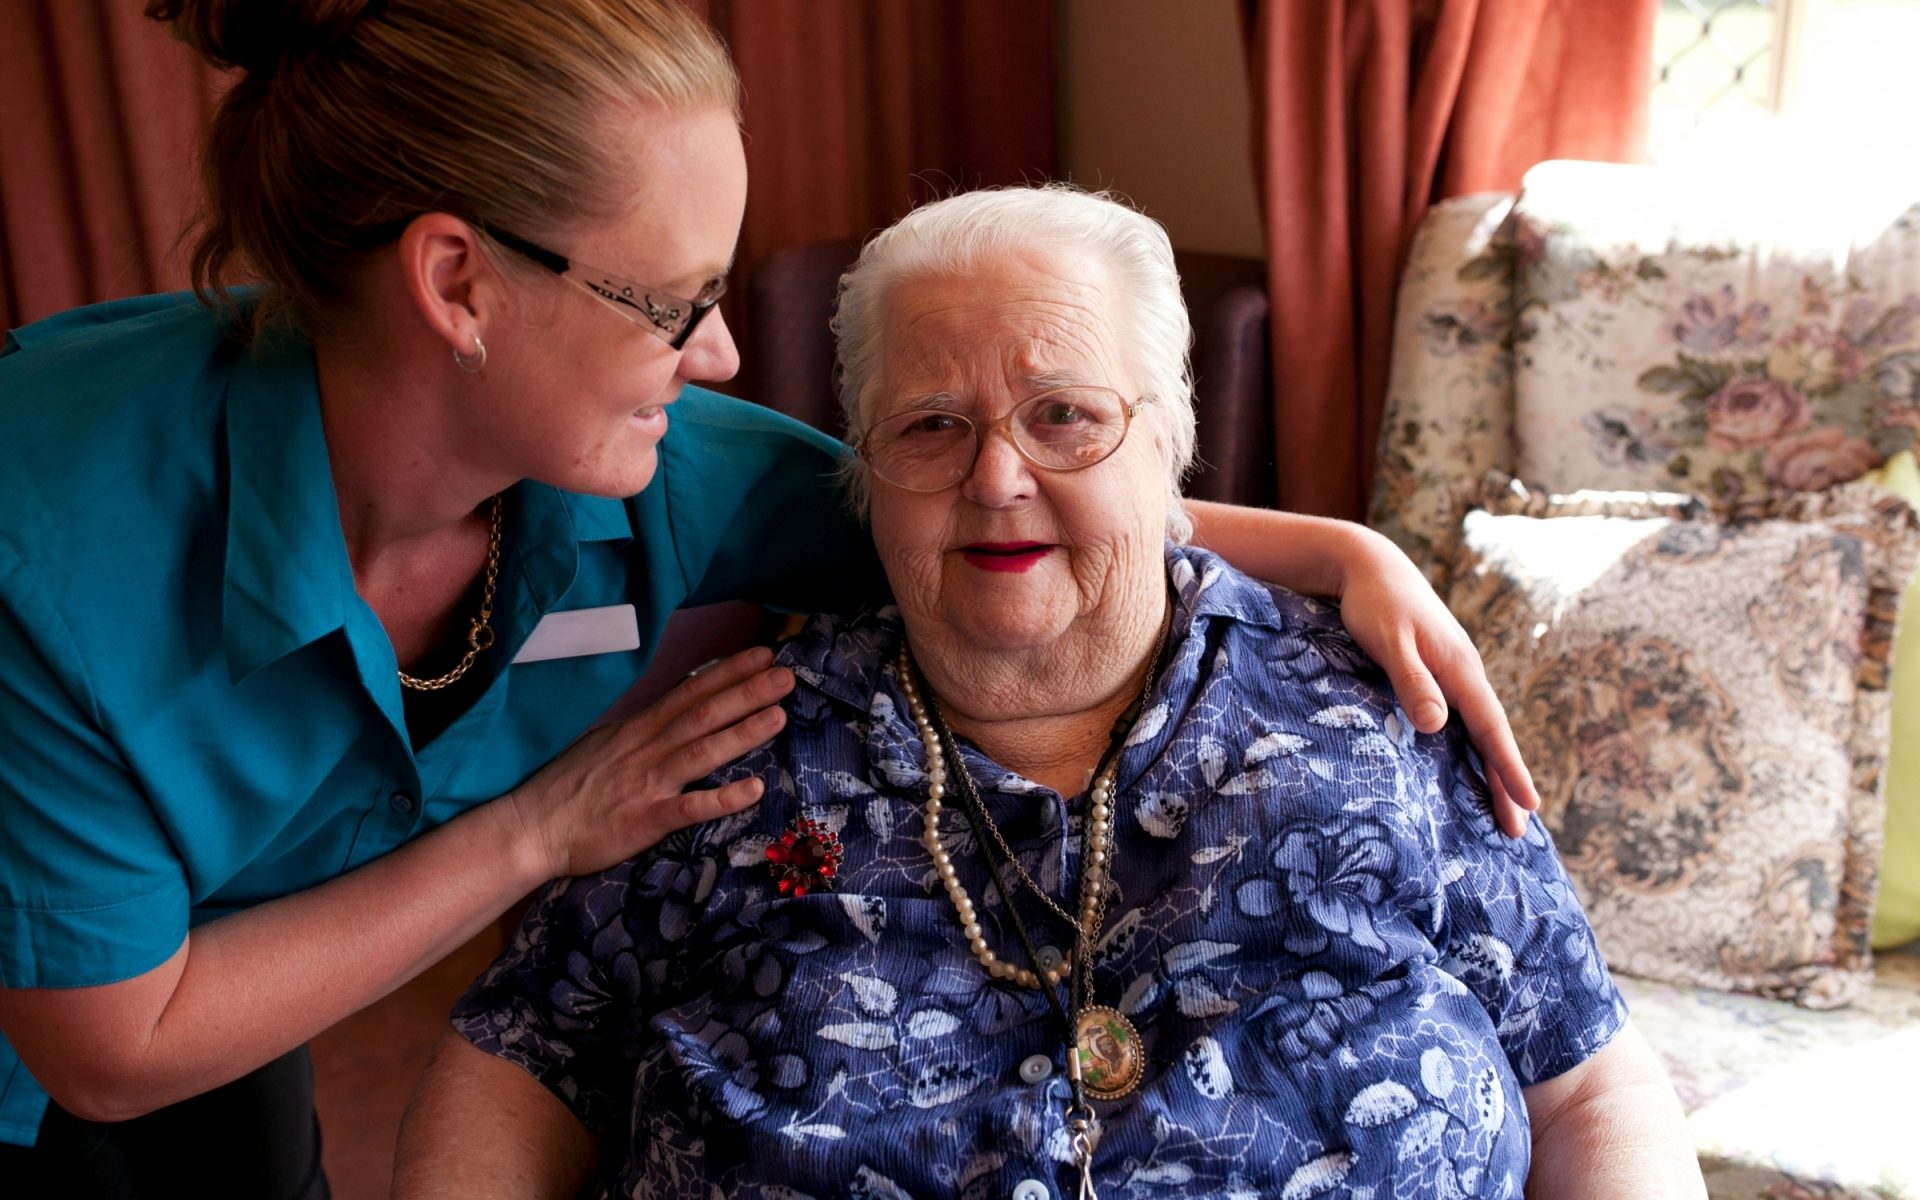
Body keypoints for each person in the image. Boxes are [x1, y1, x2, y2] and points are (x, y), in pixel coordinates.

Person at [0, 2, 1542, 1195]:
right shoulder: (47, 550)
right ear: (459, 281)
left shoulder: (644, 450)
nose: (725, 354)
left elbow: (988, 500)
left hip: (245, 943)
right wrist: (540, 832)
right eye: (674, 304)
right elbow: (114, 1052)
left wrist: (1341, 551)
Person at [393, 186, 1704, 1199]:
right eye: (930, 426)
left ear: (1169, 444)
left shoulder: (1374, 712)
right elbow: (517, 1059)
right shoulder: (738, 747)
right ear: (863, 475)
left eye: (1065, 416)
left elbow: (1591, 1089)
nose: (997, 478)